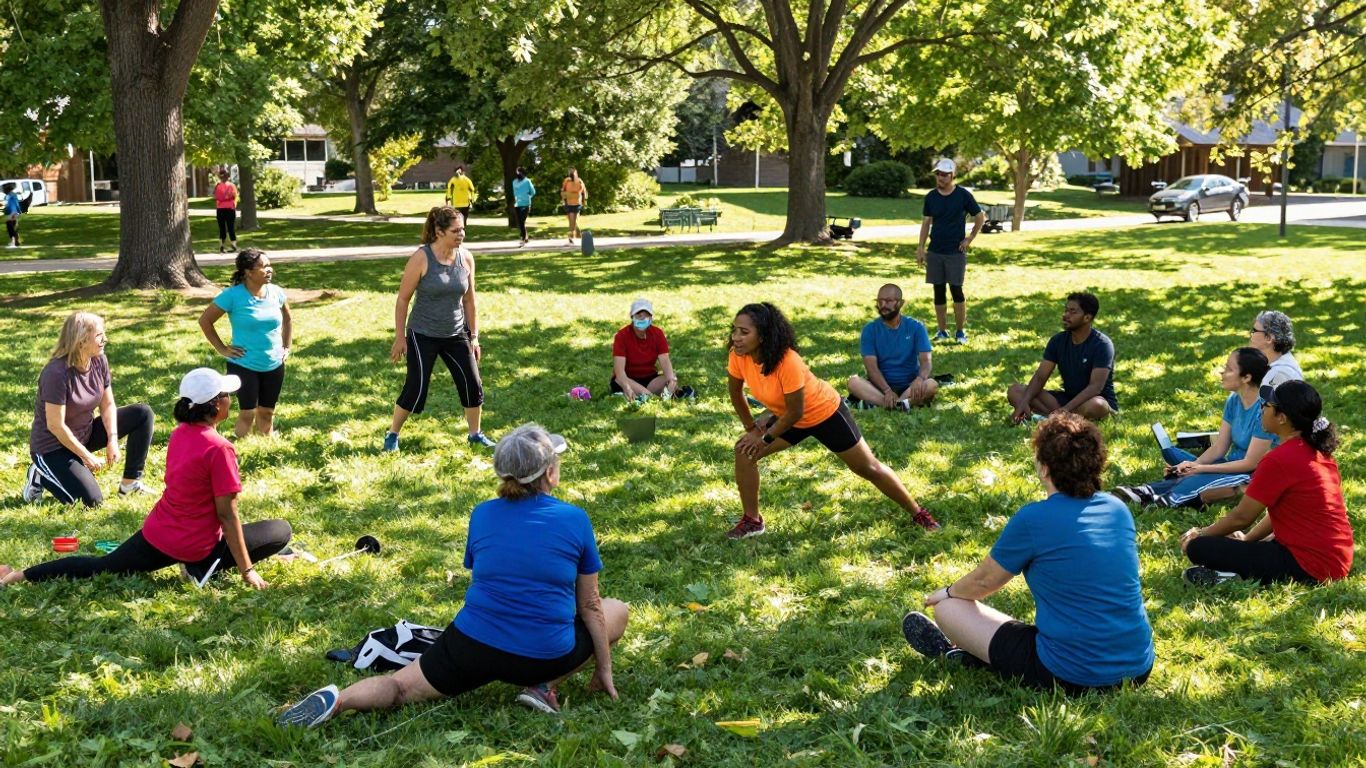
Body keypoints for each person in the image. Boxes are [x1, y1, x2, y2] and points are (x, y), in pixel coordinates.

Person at [277, 424, 628, 725]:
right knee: (618, 610)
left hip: (472, 643)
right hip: (544, 654)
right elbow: (592, 605)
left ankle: (340, 701)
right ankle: (542, 686)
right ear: (551, 473)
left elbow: (486, 573)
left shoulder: (482, 514)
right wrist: (604, 669)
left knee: (399, 687)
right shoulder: (574, 518)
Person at [902, 413, 1154, 695]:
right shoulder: (1117, 509)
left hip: (1069, 675)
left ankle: (965, 655)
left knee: (949, 610)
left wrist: (948, 592)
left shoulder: (1034, 519)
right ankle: (975, 654)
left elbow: (984, 582)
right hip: (1137, 668)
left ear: (1045, 468)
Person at [3, 368, 292, 590]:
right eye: (227, 395)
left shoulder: (180, 434)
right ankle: (201, 568)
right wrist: (247, 570)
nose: (232, 399)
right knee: (281, 531)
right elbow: (227, 516)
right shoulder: (220, 449)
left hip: (158, 533)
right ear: (217, 405)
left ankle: (17, 576)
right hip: (195, 545)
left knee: (101, 565)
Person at [725, 302, 940, 540]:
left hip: (823, 412)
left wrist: (764, 437)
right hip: (787, 417)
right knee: (744, 450)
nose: (736, 337)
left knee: (867, 467)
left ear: (763, 336)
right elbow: (736, 393)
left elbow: (797, 411)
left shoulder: (788, 361)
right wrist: (751, 429)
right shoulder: (739, 356)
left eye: (744, 332)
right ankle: (752, 521)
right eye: (735, 330)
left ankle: (918, 512)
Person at [1180, 381, 1354, 586]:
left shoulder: (1278, 460)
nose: (1262, 409)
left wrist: (1200, 535)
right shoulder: (1318, 452)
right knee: (1245, 546)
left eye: (1267, 405)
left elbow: (1241, 517)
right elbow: (1279, 512)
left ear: (1282, 418)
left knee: (1200, 548)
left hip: (1310, 566)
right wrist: (1248, 540)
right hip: (1337, 559)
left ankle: (1230, 577)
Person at [384, 206, 494, 452]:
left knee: (472, 383)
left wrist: (474, 337)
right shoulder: (422, 258)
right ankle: (392, 434)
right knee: (416, 387)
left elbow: (469, 300)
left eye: (463, 229)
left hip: (456, 332)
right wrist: (400, 338)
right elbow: (403, 299)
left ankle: (475, 434)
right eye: (456, 230)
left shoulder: (466, 258)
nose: (462, 234)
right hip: (423, 332)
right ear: (439, 231)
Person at [22, 312, 155, 506]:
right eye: (99, 335)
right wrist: (87, 457)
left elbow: (108, 404)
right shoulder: (56, 374)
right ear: (81, 340)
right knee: (91, 502)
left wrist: (112, 439)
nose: (105, 339)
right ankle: (39, 474)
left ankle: (130, 484)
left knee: (142, 414)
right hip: (52, 448)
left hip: (84, 435)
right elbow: (55, 426)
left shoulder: (98, 360)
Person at [1113, 347, 1272, 509]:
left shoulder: (1265, 410)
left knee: (1201, 476)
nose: (1222, 373)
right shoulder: (1233, 401)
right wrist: (1192, 465)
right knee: (1179, 460)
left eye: (1229, 369)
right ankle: (1147, 491)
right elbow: (1219, 448)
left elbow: (1250, 463)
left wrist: (1200, 468)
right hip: (1230, 465)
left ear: (1246, 377)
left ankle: (1162, 498)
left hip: (1251, 475)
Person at [198, 249, 292, 438]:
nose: (269, 270)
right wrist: (222, 349)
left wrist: (286, 347)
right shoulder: (232, 296)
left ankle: (265, 445)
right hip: (243, 363)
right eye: (263, 266)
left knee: (267, 412)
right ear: (248, 272)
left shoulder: (276, 293)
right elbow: (205, 321)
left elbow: (288, 320)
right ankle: (238, 448)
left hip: (273, 363)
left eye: (269, 265)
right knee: (247, 413)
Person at [1007, 292, 1117, 423]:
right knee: (1015, 390)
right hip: (1067, 399)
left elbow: (1095, 387)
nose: (1065, 315)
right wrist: (1022, 404)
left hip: (1094, 400)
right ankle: (1056, 419)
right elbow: (1040, 377)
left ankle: (1052, 418)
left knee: (1097, 406)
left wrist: (1065, 409)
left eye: (1072, 312)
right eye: (1066, 310)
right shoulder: (1057, 341)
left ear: (1087, 317)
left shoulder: (1102, 345)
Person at [915, 158, 984, 344]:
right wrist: (921, 248)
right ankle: (942, 330)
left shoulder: (963, 195)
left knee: (956, 290)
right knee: (938, 291)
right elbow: (926, 222)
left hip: (955, 252)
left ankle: (960, 332)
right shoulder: (931, 197)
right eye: (938, 174)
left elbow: (980, 217)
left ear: (952, 175)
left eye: (944, 174)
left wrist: (970, 238)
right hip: (935, 251)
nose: (941, 178)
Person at [847, 283, 938, 410]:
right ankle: (901, 404)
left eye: (889, 301)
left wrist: (920, 378)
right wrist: (887, 390)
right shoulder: (870, 329)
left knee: (932, 385)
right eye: (880, 301)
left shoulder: (916, 327)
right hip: (880, 387)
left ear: (900, 303)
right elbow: (871, 368)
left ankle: (888, 404)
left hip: (910, 386)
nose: (883, 305)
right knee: (853, 382)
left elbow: (926, 361)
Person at [611, 298, 694, 401]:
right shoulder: (621, 336)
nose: (642, 319)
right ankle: (651, 397)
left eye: (646, 315)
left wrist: (671, 380)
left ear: (651, 318)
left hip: (650, 379)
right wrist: (627, 387)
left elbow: (665, 360)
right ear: (632, 317)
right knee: (623, 382)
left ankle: (662, 394)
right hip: (627, 379)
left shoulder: (657, 334)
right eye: (639, 315)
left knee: (671, 377)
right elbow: (619, 373)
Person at [1249, 310, 1302, 388]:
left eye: (1254, 331)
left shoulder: (1278, 374)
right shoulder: (1279, 361)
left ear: (1269, 338)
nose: (1251, 335)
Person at [214, 169, 239, 253]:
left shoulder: (217, 186)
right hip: (230, 208)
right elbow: (235, 196)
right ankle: (234, 245)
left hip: (220, 208)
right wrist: (233, 204)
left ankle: (221, 246)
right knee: (231, 227)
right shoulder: (232, 186)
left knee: (222, 228)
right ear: (228, 177)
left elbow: (216, 197)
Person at [561, 168, 587, 244]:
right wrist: (564, 198)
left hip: (576, 204)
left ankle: (571, 237)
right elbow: (563, 191)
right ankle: (576, 234)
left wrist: (584, 200)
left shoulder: (579, 181)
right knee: (572, 221)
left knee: (572, 221)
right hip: (568, 204)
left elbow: (583, 191)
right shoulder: (567, 181)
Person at [512, 167, 535, 245]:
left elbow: (533, 192)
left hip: (526, 204)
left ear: (523, 173)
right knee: (520, 222)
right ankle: (526, 237)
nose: (518, 174)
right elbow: (514, 192)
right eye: (517, 172)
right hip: (517, 204)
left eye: (519, 172)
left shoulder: (527, 181)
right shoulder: (514, 182)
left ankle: (522, 238)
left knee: (522, 221)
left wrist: (527, 197)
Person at [4, 181, 22, 248]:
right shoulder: (14, 195)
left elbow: (8, 206)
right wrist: (19, 212)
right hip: (15, 213)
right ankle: (16, 242)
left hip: (11, 213)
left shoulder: (8, 196)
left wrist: (6, 211)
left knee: (10, 228)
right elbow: (17, 204)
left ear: (7, 190)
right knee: (13, 227)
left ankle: (13, 242)